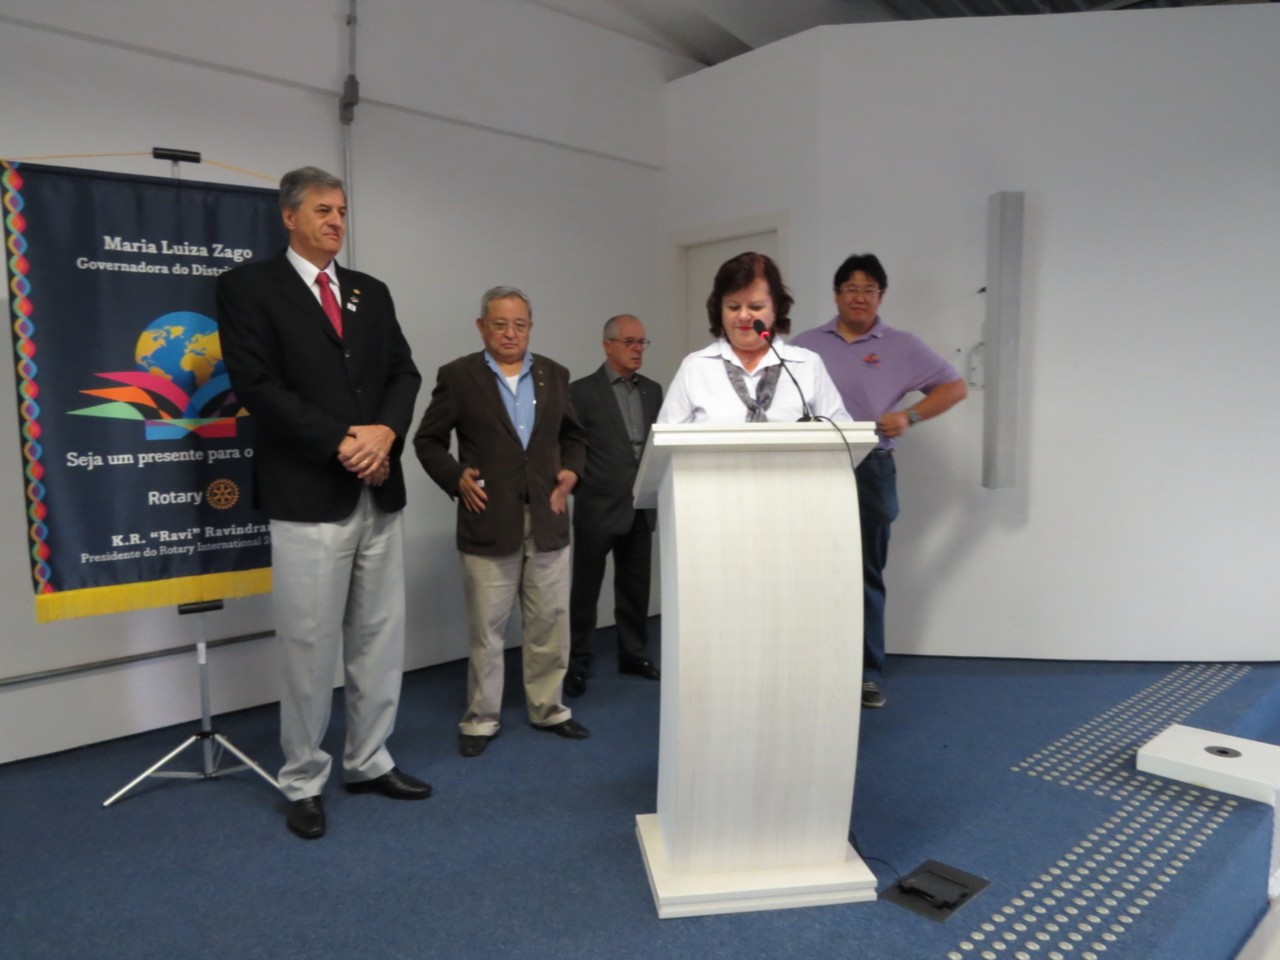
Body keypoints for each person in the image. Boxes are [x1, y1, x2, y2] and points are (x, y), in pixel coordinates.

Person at [216, 166, 431, 841]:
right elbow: (257, 386)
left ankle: (369, 759)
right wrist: (343, 441)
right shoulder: (249, 288)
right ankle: (303, 779)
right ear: (289, 217)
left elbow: (403, 373)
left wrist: (385, 433)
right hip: (308, 493)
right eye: (323, 210)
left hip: (379, 488)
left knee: (378, 636)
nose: (336, 221)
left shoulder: (371, 291)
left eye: (341, 210)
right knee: (308, 648)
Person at [413, 286, 590, 758]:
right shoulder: (459, 376)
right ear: (481, 327)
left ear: (530, 327)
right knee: (487, 630)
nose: (511, 333)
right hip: (488, 520)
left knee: (550, 623)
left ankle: (548, 708)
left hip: (549, 517)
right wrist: (455, 477)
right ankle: (481, 719)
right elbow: (427, 441)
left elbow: (574, 437)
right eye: (500, 324)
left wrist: (572, 472)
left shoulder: (555, 374)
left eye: (520, 324)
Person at [792, 253, 967, 709]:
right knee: (810, 569)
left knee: (865, 572)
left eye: (869, 289)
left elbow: (955, 386)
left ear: (881, 296)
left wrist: (910, 415)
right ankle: (813, 665)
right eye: (851, 288)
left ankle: (866, 674)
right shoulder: (805, 345)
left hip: (871, 467)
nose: (860, 297)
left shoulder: (901, 345)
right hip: (814, 467)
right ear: (836, 295)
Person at [566, 315, 664, 698]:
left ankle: (633, 654)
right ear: (607, 345)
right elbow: (570, 447)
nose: (638, 349)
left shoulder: (652, 391)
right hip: (597, 505)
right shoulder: (581, 392)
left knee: (635, 587)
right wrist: (580, 486)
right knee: (585, 591)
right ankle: (577, 661)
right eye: (630, 342)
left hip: (641, 505)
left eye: (642, 342)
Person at [658, 251, 850, 424]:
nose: (743, 316)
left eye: (755, 307)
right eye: (733, 307)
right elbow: (664, 443)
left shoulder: (807, 365)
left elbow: (844, 436)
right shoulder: (695, 367)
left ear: (776, 309)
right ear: (719, 310)